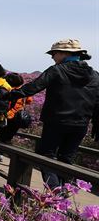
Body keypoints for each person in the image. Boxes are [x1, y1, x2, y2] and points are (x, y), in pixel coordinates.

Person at [7, 39, 99, 190]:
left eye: (54, 53)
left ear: (64, 53)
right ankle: (64, 192)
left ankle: (55, 191)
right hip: (80, 125)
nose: (52, 57)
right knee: (66, 159)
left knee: (45, 156)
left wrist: (8, 96)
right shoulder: (95, 75)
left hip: (56, 122)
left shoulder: (56, 70)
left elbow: (33, 87)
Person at [0, 73, 33, 161]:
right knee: (9, 136)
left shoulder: (7, 89)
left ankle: (0, 154)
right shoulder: (23, 91)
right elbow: (29, 101)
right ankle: (2, 154)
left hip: (6, 116)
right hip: (18, 118)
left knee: (3, 135)